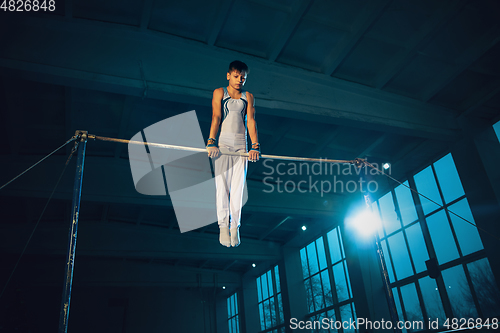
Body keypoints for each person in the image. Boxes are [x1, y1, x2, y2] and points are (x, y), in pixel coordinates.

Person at [206, 60, 260, 247]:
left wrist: (255, 146)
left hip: (241, 145)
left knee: (237, 190)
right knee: (222, 187)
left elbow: (251, 121)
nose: (239, 80)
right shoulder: (219, 92)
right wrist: (211, 142)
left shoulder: (249, 96)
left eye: (243, 78)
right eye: (236, 76)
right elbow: (216, 117)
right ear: (228, 75)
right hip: (223, 143)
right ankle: (222, 226)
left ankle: (234, 227)